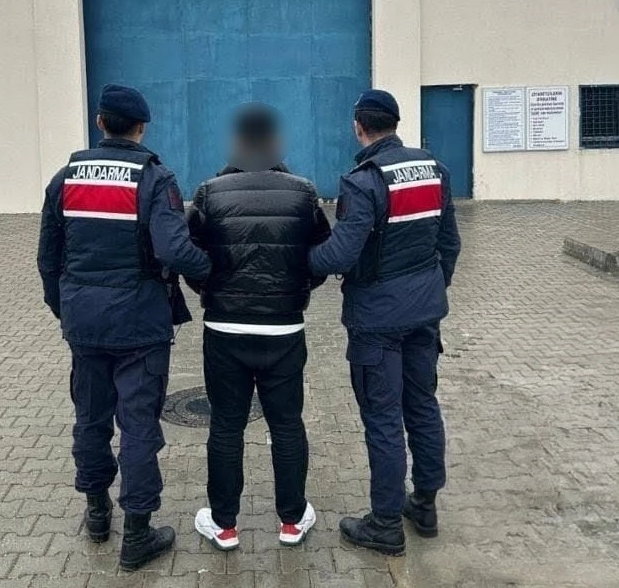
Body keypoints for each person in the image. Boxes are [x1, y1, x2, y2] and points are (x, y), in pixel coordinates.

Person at [37, 83, 211, 571]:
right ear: (141, 128)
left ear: (100, 122)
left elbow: (48, 257)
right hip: (139, 323)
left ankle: (97, 513)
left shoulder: (65, 179)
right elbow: (173, 249)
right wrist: (212, 273)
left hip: (84, 321)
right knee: (138, 425)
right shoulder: (154, 178)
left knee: (91, 417)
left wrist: (65, 307)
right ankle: (137, 533)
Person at [308, 89, 461, 557]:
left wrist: (298, 262)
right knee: (422, 405)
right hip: (423, 314)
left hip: (377, 321)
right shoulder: (434, 170)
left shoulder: (363, 182)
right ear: (396, 123)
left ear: (359, 126)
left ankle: (386, 523)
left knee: (383, 419)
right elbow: (450, 244)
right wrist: (430, 289)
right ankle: (425, 505)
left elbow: (341, 254)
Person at [185, 103, 331, 551]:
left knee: (226, 426)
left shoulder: (209, 193)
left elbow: (189, 255)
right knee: (286, 425)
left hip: (224, 329)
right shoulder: (304, 192)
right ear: (276, 142)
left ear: (236, 143)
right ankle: (292, 520)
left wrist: (210, 289)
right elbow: (322, 256)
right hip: (284, 330)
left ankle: (224, 525)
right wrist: (297, 289)